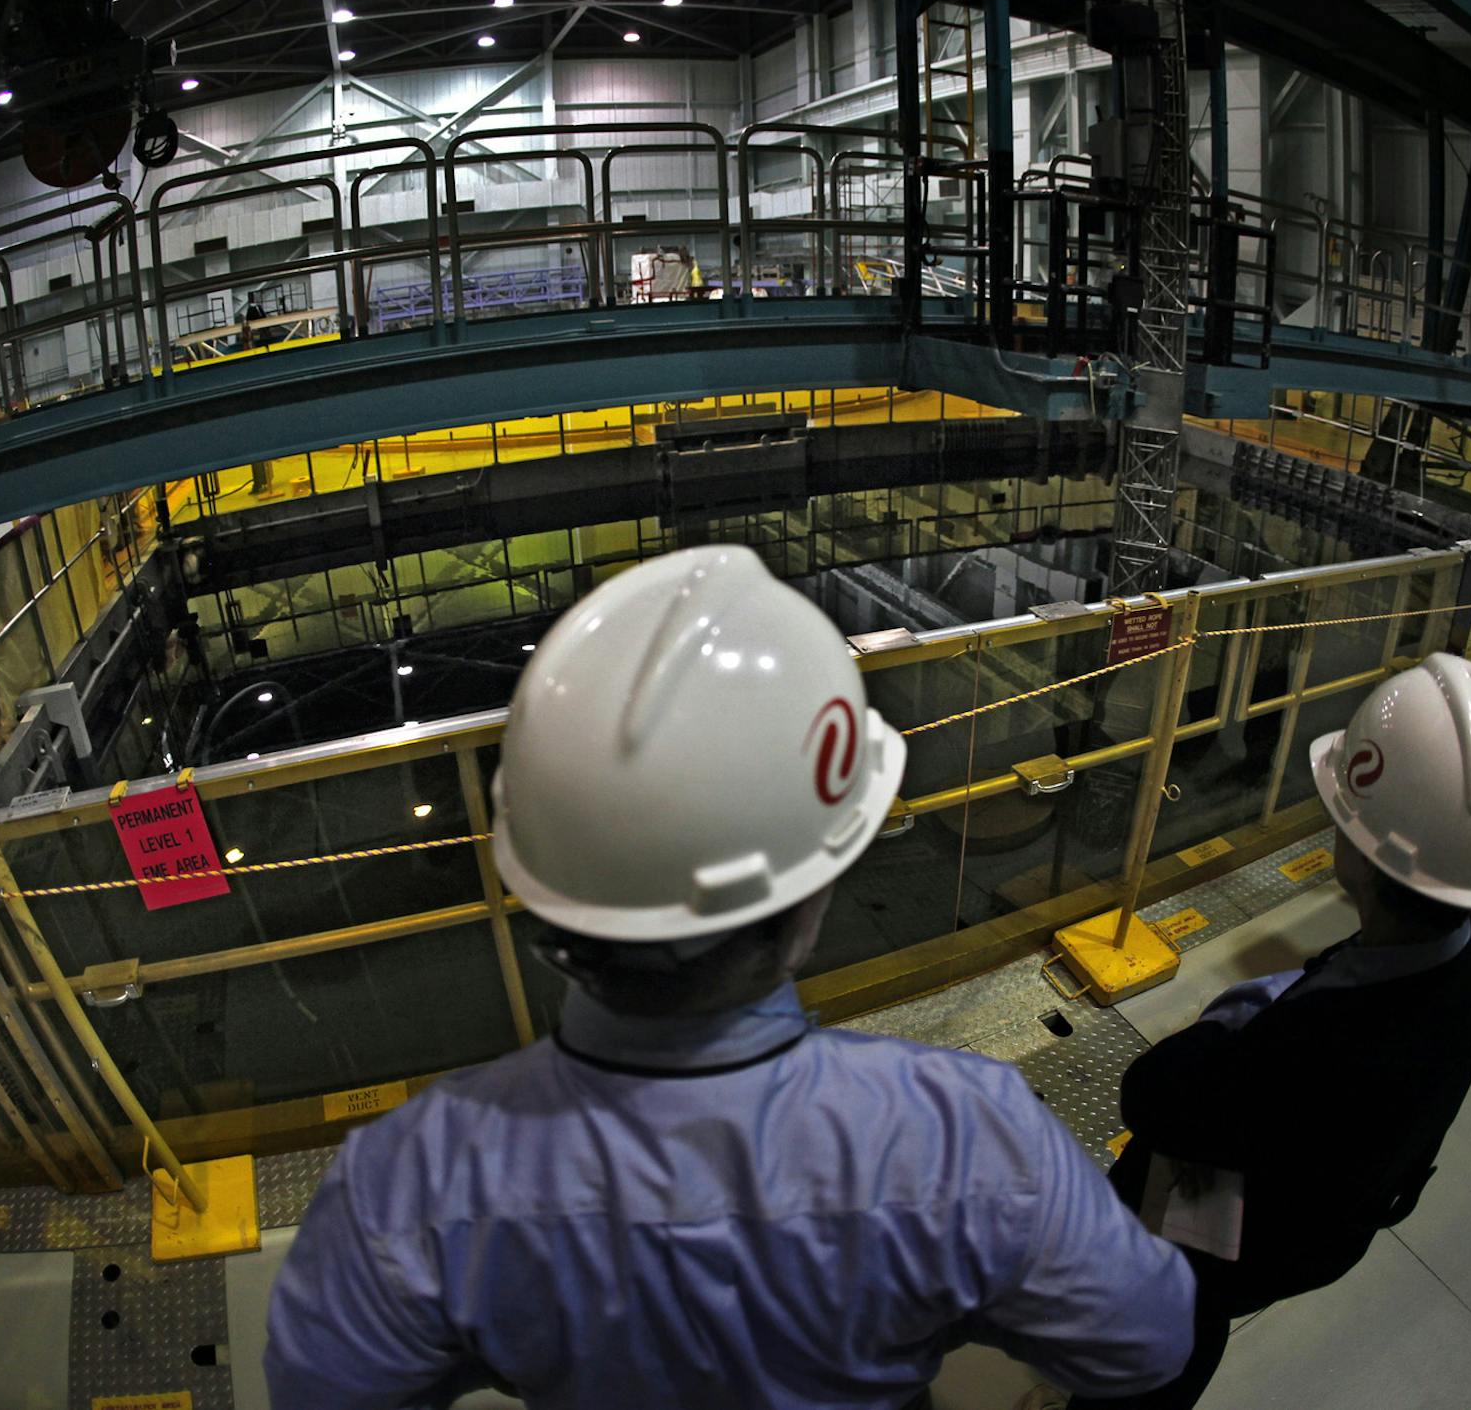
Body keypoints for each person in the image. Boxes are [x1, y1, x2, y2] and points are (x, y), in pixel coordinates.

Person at [264, 546, 1197, 1410]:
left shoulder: (405, 1187)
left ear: (534, 881)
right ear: (816, 879)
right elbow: (1145, 1343)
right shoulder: (968, 1142)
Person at [1090, 653, 1471, 1410]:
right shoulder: (1469, 982)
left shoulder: (1318, 1048)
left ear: (1365, 856)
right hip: (1295, 1243)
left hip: (1194, 1271)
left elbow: (1153, 1097)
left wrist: (1225, 1026)